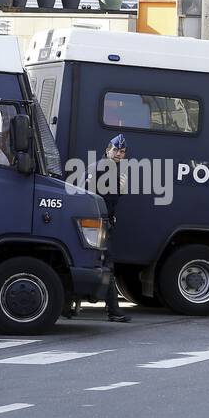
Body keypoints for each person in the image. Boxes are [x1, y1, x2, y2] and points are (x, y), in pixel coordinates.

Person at [86, 134, 131, 322]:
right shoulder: (97, 169)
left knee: (96, 263)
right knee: (105, 265)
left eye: (122, 151)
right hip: (94, 225)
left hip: (103, 224)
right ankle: (113, 310)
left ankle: (68, 307)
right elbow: (90, 195)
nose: (118, 154)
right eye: (115, 150)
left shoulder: (117, 171)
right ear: (107, 149)